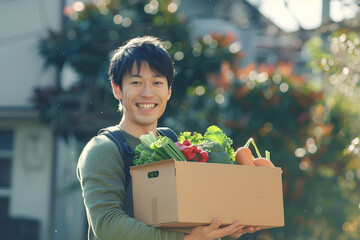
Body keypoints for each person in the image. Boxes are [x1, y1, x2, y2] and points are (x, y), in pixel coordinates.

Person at [77, 35, 260, 240]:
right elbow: (108, 224)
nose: (147, 93)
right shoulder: (104, 149)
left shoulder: (173, 143)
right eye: (136, 82)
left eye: (157, 82)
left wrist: (229, 224)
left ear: (169, 91)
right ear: (117, 89)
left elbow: (194, 215)